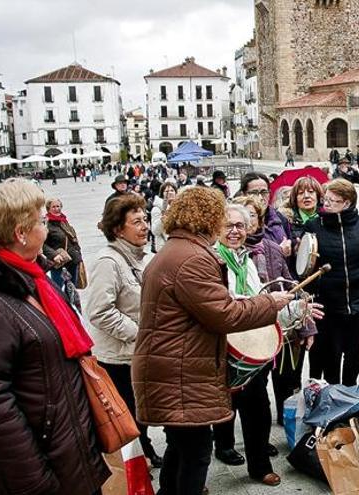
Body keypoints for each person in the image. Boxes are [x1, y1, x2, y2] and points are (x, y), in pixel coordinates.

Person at [132, 186, 293, 495]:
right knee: (195, 453)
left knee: (182, 449)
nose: (226, 225)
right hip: (179, 370)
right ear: (208, 218)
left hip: (174, 366)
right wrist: (271, 303)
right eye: (222, 217)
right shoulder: (192, 258)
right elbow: (225, 314)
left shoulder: (177, 250)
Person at [0, 179, 110, 495]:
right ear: (20, 233)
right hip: (43, 470)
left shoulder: (31, 280)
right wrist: (34, 480)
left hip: (67, 453)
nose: (47, 229)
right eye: (41, 221)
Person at [211, 204, 317, 485]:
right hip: (223, 346)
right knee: (222, 406)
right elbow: (227, 304)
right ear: (216, 229)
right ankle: (218, 453)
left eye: (240, 226)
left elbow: (261, 298)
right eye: (228, 226)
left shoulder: (245, 259)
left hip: (253, 343)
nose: (235, 232)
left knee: (258, 406)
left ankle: (260, 466)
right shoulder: (213, 260)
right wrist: (265, 303)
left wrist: (296, 308)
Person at [86, 194, 163, 468]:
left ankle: (145, 451)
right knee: (127, 415)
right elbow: (98, 311)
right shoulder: (108, 261)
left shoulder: (146, 257)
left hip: (143, 352)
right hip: (119, 357)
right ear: (118, 229)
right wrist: (140, 333)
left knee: (143, 412)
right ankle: (133, 465)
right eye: (137, 222)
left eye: (145, 219)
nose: (144, 226)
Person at [234, 196, 317, 426]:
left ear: (261, 220)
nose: (246, 222)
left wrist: (307, 324)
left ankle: (285, 421)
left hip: (280, 325)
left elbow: (292, 287)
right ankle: (227, 442)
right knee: (251, 390)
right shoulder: (230, 253)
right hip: (248, 333)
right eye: (241, 216)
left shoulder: (271, 248)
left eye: (252, 215)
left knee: (286, 379)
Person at [305, 179, 359, 385]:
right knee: (332, 356)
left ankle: (350, 398)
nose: (326, 204)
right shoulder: (314, 226)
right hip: (329, 305)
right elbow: (307, 268)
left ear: (347, 203)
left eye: (333, 200)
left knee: (354, 356)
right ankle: (332, 400)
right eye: (326, 199)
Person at [238, 172, 293, 250]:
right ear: (243, 194)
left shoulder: (280, 218)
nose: (260, 197)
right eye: (254, 193)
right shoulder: (237, 220)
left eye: (264, 192)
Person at [43, 197, 83, 288]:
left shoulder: (63, 221)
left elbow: (73, 239)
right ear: (48, 209)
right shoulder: (46, 224)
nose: (57, 209)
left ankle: (70, 302)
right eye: (53, 207)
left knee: (72, 289)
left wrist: (78, 254)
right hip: (59, 261)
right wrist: (54, 255)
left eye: (58, 206)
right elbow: (42, 244)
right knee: (58, 288)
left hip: (72, 260)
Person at [287, 175, 324, 246]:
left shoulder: (327, 218)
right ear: (295, 198)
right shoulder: (287, 220)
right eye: (300, 193)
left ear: (318, 196)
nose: (306, 196)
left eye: (311, 192)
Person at [151, 181, 178, 252]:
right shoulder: (157, 209)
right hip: (164, 247)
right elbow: (155, 231)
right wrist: (162, 220)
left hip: (178, 245)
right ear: (162, 194)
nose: (170, 192)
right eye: (166, 191)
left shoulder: (179, 207)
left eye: (172, 190)